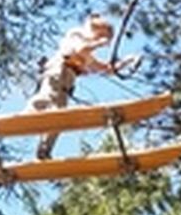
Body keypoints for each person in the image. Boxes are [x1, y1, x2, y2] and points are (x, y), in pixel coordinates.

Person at [25, 13, 115, 159]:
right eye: (100, 35)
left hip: (67, 82)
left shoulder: (88, 53)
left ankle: (44, 150)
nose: (100, 41)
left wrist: (116, 67)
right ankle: (27, 115)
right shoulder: (77, 34)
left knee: (60, 117)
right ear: (94, 29)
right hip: (58, 71)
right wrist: (100, 43)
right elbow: (81, 49)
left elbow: (99, 66)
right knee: (47, 98)